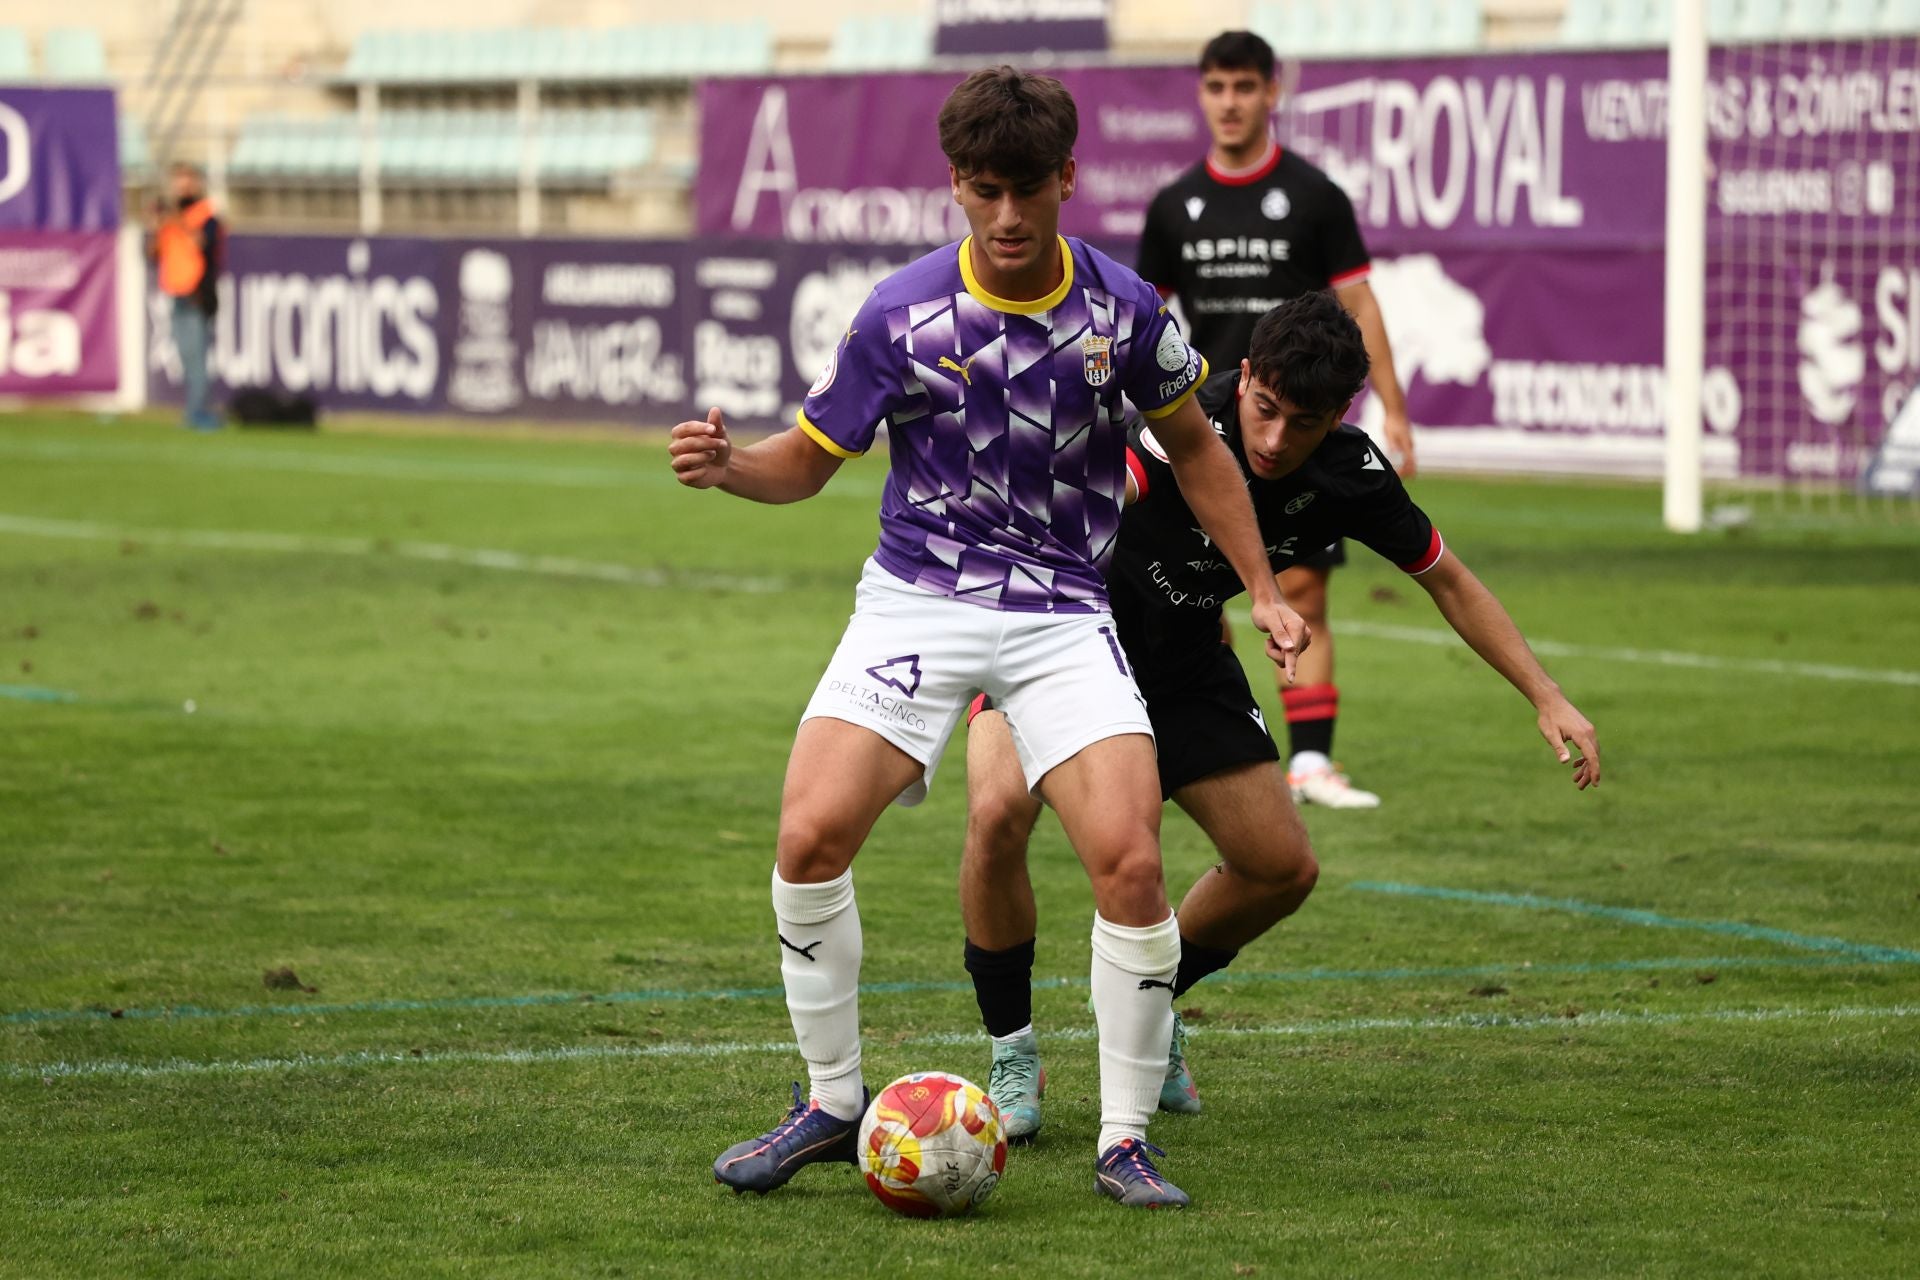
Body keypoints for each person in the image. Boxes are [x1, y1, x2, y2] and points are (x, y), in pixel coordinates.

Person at [669, 66, 1308, 1211]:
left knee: (1131, 859)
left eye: (1026, 190)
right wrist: (731, 467)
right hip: (917, 598)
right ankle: (829, 1101)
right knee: (810, 832)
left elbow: (1202, 451)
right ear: (955, 185)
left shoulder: (1125, 311)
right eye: (982, 191)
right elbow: (810, 460)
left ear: (1068, 178)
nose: (1007, 217)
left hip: (1064, 610)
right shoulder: (899, 313)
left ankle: (1122, 1139)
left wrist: (1259, 583)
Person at [961, 292, 1600, 1138]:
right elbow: (1110, 481)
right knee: (999, 809)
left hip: (1186, 658)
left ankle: (1147, 1004)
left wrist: (1545, 694)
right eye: (1263, 409)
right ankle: (1012, 1052)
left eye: (1302, 424)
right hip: (1060, 636)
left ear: (1338, 415)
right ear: (1247, 377)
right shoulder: (1182, 415)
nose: (1272, 440)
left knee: (1279, 867)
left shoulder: (1348, 471)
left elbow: (1447, 578)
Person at [1138, 30, 1416, 808]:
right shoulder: (1173, 205)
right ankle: (1218, 733)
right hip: (1207, 432)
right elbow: (1144, 321)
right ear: (1202, 95)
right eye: (1217, 87)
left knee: (1306, 593)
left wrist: (1394, 410)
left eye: (1245, 87)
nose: (1231, 102)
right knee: (1195, 599)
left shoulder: (1314, 196)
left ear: (1273, 92)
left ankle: (1311, 764)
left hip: (1295, 438)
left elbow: (1358, 303)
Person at [149, 163, 224, 431]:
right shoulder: (170, 218)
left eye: (186, 181)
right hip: (176, 294)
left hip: (197, 294)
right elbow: (153, 253)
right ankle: (194, 410)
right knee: (186, 356)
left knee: (197, 357)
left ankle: (199, 413)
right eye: (177, 181)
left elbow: (204, 243)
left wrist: (176, 219)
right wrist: (158, 224)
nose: (181, 187)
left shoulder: (206, 215)